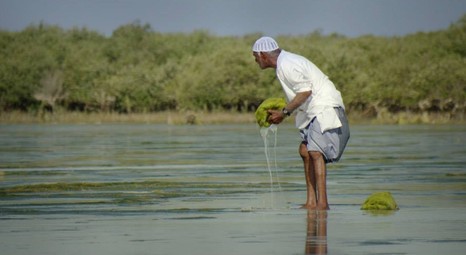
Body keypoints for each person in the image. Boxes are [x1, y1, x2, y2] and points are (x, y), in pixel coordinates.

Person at [252, 36, 350, 210]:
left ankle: (323, 204)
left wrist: (284, 113)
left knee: (315, 152)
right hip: (312, 111)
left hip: (324, 107)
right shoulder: (283, 64)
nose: (255, 60)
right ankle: (311, 202)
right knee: (304, 150)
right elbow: (301, 93)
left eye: (255, 56)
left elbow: (305, 92)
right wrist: (284, 111)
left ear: (262, 55)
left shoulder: (286, 64)